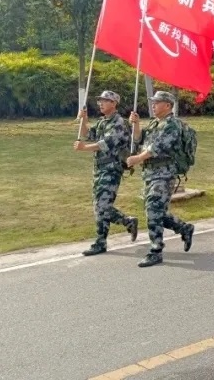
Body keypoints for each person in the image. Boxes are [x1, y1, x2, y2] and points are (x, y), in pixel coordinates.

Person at [126, 91, 195, 267]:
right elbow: (139, 139)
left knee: (153, 210)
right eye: (153, 102)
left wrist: (137, 159)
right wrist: (136, 124)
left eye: (157, 102)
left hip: (164, 173)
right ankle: (184, 228)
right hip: (150, 173)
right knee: (155, 211)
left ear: (168, 105)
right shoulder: (155, 123)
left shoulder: (172, 125)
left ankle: (156, 251)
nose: (153, 105)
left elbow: (157, 148)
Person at [74, 90, 138, 256]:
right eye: (100, 101)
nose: (101, 103)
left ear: (114, 103)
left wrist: (84, 148)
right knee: (100, 206)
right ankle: (127, 222)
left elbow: (105, 144)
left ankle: (101, 242)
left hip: (111, 169)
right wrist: (84, 120)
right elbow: (88, 134)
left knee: (102, 206)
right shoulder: (103, 121)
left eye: (105, 100)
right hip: (100, 169)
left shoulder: (119, 123)